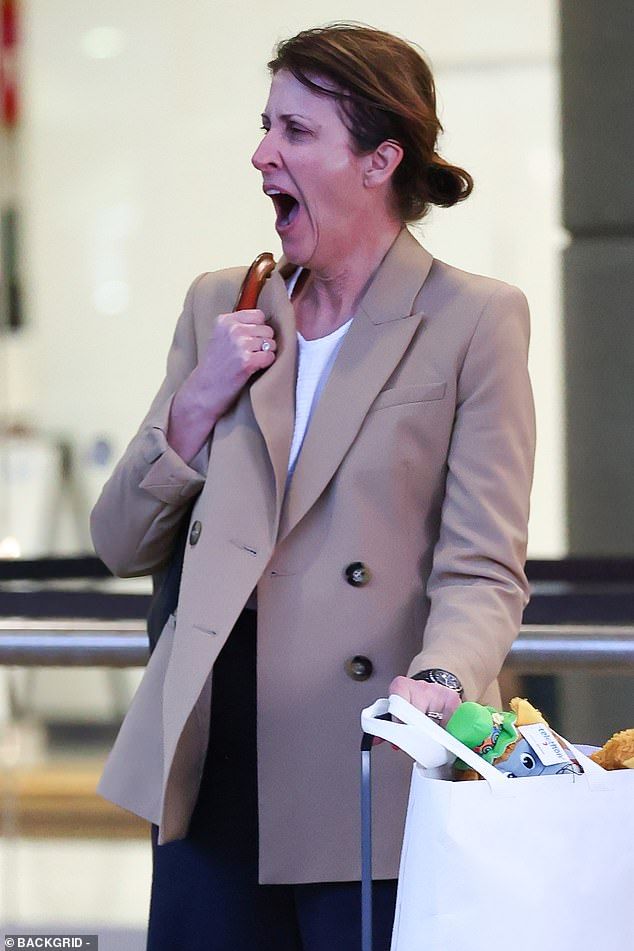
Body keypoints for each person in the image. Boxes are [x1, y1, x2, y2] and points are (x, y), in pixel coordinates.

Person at [90, 22, 536, 951]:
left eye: (295, 131)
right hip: (209, 754)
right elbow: (119, 540)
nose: (262, 155)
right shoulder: (223, 304)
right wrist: (198, 399)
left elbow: (483, 564)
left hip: (376, 756)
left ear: (380, 159)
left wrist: (444, 679)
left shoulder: (474, 319)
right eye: (266, 126)